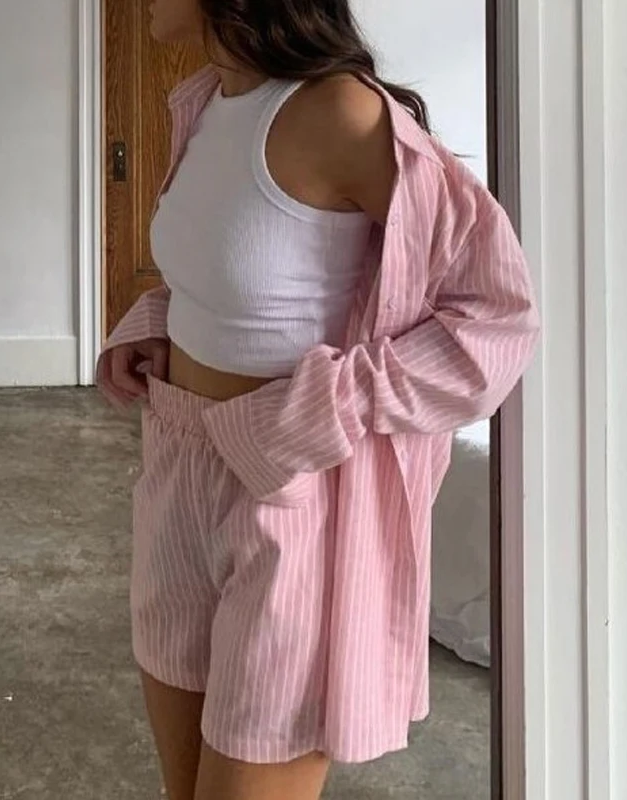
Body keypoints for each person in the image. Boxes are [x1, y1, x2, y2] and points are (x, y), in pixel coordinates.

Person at [97, 1, 540, 798]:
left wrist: (323, 408)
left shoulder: (342, 113)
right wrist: (158, 325)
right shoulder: (206, 102)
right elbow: (241, 275)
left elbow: (496, 322)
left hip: (290, 497)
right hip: (176, 468)